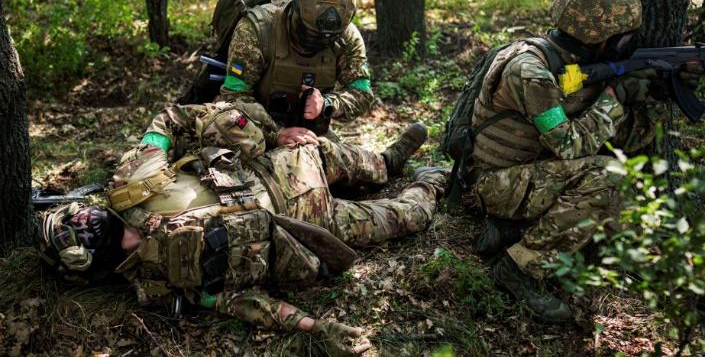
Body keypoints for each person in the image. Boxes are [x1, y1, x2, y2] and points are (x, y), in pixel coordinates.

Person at [37, 100, 447, 357]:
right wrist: (316, 327)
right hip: (307, 227)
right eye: (75, 233)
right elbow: (239, 303)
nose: (83, 222)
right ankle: (433, 181)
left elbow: (170, 118)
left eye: (73, 217)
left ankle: (388, 161)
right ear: (88, 262)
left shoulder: (133, 182)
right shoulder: (160, 279)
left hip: (283, 165)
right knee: (406, 217)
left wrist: (271, 134)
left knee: (364, 165)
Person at [461, 0, 704, 322]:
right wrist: (615, 97)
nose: (629, 45)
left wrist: (656, 96)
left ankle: (512, 232)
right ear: (602, 39)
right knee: (610, 176)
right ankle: (518, 269)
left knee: (624, 191)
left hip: (526, 177)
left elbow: (625, 141)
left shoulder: (572, 68)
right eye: (625, 38)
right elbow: (570, 147)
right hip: (493, 184)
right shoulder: (531, 72)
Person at [218, 0, 376, 151]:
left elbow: (362, 92)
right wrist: (276, 134)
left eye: (330, 37)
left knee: (343, 160)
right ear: (296, 9)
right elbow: (234, 97)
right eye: (311, 33)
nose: (320, 41)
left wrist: (327, 104)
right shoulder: (257, 30)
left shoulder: (347, 37)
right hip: (255, 131)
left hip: (310, 134)